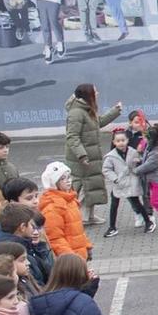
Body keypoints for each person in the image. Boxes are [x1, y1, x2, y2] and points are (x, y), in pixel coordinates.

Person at [64, 85, 122, 227]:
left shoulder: (86, 110)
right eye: (95, 91)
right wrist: (82, 155)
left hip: (91, 157)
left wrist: (115, 111)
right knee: (83, 187)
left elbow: (97, 123)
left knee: (92, 186)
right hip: (82, 160)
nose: (97, 93)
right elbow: (72, 137)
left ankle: (89, 216)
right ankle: (80, 217)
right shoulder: (76, 113)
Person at [101, 128, 153, 236]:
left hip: (130, 183)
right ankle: (112, 227)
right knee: (114, 205)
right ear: (114, 142)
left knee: (136, 202)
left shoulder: (133, 152)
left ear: (127, 140)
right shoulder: (111, 156)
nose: (121, 143)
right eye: (118, 141)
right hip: (119, 183)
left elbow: (141, 163)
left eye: (123, 140)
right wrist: (115, 178)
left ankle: (148, 222)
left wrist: (138, 162)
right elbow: (106, 169)